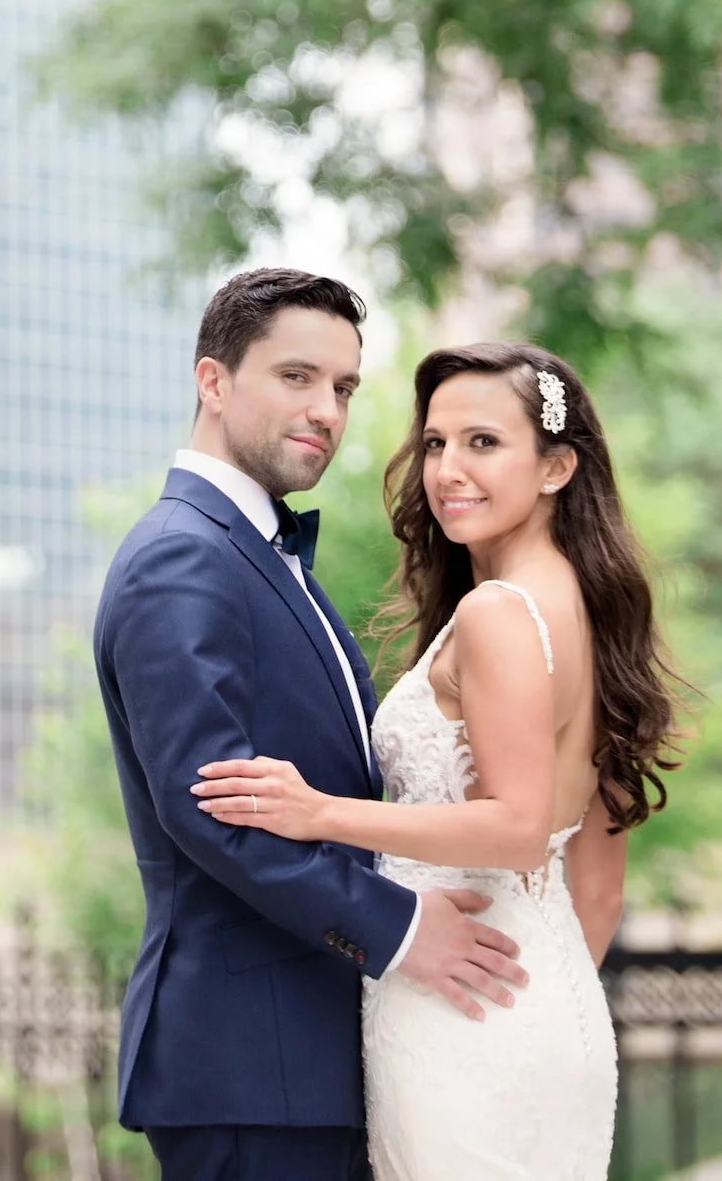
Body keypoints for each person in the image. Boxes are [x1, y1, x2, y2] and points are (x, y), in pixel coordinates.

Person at [192, 342, 682, 1181]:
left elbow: (521, 826)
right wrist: (531, 1013)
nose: (449, 469)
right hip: (547, 1001)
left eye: (484, 443)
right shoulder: (587, 615)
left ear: (557, 467)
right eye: (435, 443)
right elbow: (594, 886)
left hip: (463, 1012)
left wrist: (320, 813)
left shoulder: (499, 614)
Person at [94, 273, 530, 1181]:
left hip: (314, 1057)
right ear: (212, 382)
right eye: (297, 377)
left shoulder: (258, 552)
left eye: (342, 387)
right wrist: (403, 929)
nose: (326, 410)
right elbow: (213, 809)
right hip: (248, 1061)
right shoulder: (183, 556)